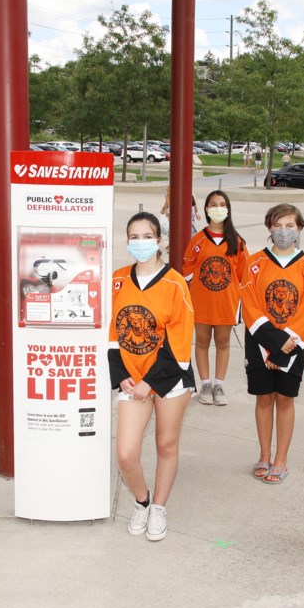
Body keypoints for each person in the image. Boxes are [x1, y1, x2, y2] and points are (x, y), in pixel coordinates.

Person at [108, 211, 194, 541]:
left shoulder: (175, 284)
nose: (140, 242)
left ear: (160, 241)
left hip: (169, 378)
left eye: (147, 236)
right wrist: (123, 376)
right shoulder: (118, 280)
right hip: (132, 377)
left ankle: (159, 507)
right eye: (134, 236)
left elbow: (179, 343)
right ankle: (142, 501)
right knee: (126, 454)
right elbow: (113, 334)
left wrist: (150, 382)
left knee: (165, 444)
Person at [240, 204, 304, 484]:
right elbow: (249, 305)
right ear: (268, 227)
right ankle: (264, 454)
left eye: (290, 226)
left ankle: (281, 459)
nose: (283, 231)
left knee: (285, 399)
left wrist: (284, 349)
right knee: (264, 398)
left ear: (299, 229)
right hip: (260, 342)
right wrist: (271, 345)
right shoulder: (254, 262)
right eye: (278, 225)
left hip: (293, 346)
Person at [181, 190, 248, 407]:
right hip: (201, 301)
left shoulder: (237, 242)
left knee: (223, 342)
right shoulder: (198, 239)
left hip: (226, 303)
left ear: (227, 209)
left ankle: (219, 384)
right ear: (206, 209)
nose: (218, 208)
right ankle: (205, 383)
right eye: (213, 204)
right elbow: (187, 267)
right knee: (201, 342)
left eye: (222, 204)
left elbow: (243, 276)